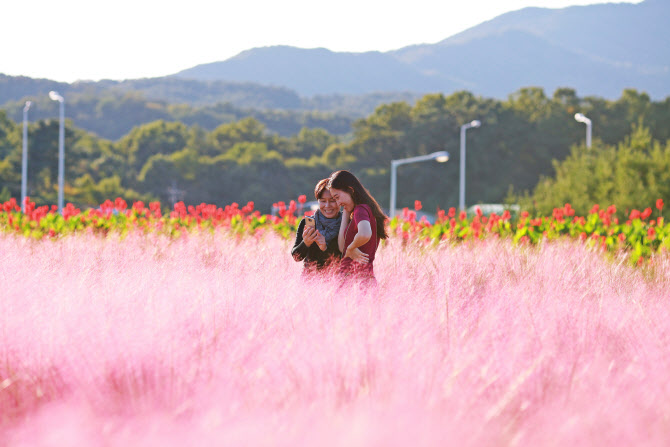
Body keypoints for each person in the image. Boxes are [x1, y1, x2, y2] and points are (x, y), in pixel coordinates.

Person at [327, 170, 388, 287]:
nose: (338, 203)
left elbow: (365, 234)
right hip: (364, 280)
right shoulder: (362, 211)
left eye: (337, 197)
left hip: (353, 280)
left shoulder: (360, 210)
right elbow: (342, 247)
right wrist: (345, 211)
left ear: (350, 190)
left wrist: (351, 248)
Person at [291, 179, 343, 273]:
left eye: (332, 201)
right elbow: (296, 257)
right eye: (323, 201)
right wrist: (305, 243)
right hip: (310, 283)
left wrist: (324, 247)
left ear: (340, 201)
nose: (327, 205)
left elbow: (349, 258)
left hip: (338, 282)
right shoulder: (307, 223)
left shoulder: (346, 223)